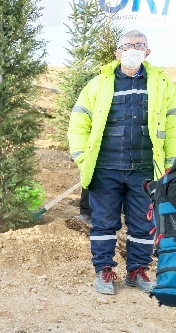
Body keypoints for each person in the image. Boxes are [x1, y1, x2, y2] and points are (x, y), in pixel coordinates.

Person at [68, 29, 176, 295]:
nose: (132, 50)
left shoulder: (162, 85)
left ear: (147, 52)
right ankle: (103, 270)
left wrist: (171, 163)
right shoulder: (98, 84)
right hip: (106, 168)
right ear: (117, 52)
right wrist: (82, 158)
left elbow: (173, 126)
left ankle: (137, 270)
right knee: (104, 223)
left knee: (143, 224)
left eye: (139, 45)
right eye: (127, 46)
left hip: (145, 169)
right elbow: (79, 123)